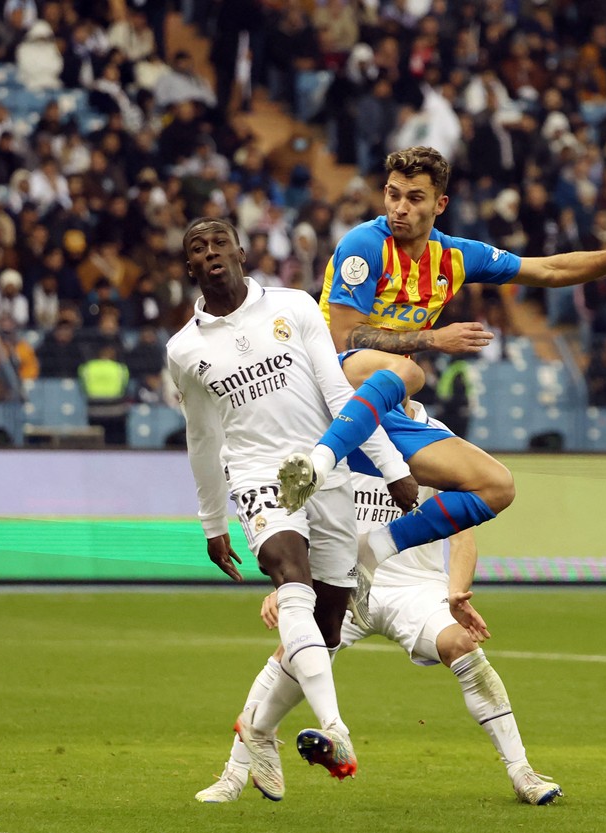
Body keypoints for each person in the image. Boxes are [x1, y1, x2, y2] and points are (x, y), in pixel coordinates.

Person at [277, 146, 606, 600]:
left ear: (440, 204)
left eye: (414, 198)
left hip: (383, 403)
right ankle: (316, 465)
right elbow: (345, 337)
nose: (399, 207)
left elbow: (548, 270)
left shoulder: (454, 256)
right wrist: (432, 339)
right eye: (393, 194)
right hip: (331, 386)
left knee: (496, 486)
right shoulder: (363, 245)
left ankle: (374, 549)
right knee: (411, 373)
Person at [167, 218, 420, 801]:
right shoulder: (184, 350)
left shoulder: (295, 307)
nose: (209, 253)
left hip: (322, 472)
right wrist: (212, 521)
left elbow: (341, 398)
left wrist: (393, 467)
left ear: (241, 251)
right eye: (196, 248)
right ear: (189, 267)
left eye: (218, 243)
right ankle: (336, 728)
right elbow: (202, 440)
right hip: (258, 477)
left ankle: (257, 732)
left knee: (326, 627)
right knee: (291, 582)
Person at [196, 405, 562, 807]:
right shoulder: (339, 432)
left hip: (415, 587)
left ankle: (522, 772)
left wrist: (457, 592)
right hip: (344, 579)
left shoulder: (435, 437)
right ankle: (233, 774)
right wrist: (291, 585)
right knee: (288, 655)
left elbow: (462, 536)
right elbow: (309, 519)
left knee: (462, 646)